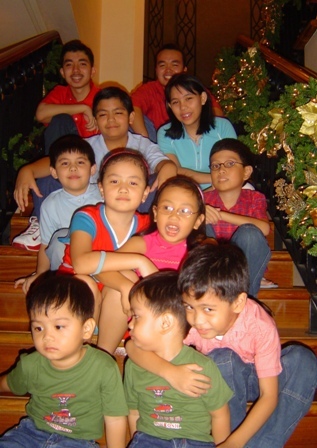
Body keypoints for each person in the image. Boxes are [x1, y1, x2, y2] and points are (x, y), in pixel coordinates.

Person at [127, 243, 317, 448]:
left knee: (303, 359)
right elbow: (133, 347)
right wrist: (170, 372)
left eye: (208, 309)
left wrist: (234, 443)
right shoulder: (189, 321)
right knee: (223, 358)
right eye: (189, 306)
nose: (197, 320)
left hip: (258, 378)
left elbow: (268, 396)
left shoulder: (259, 326)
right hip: (221, 388)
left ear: (237, 303)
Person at [12, 87, 177, 250]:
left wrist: (168, 166)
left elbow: (160, 162)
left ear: (131, 117)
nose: (111, 120)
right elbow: (56, 161)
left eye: (118, 113)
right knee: (49, 179)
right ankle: (41, 227)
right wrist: (28, 170)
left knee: (157, 182)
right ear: (96, 120)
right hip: (94, 206)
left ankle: (141, 233)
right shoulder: (88, 145)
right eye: (103, 114)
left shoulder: (142, 144)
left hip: (130, 208)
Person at [0, 273, 128, 448]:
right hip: (30, 433)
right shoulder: (31, 364)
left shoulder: (103, 367)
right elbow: (8, 384)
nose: (47, 336)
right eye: (38, 327)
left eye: (58, 326)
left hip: (78, 442)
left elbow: (115, 419)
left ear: (86, 329)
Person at [57, 149, 157, 349]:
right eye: (114, 181)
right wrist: (139, 262)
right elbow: (82, 263)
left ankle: (104, 355)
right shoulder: (86, 217)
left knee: (128, 278)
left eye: (133, 183)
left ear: (146, 193)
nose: (123, 189)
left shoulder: (148, 224)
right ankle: (76, 353)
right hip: (76, 299)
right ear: (101, 188)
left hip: (116, 309)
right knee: (88, 282)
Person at [97, 175, 206, 354]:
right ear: (155, 213)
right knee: (123, 278)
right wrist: (125, 287)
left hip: (172, 326)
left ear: (198, 221)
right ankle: (103, 356)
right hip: (134, 320)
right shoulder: (142, 244)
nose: (174, 216)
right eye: (167, 208)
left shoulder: (197, 253)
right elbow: (100, 268)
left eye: (184, 211)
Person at [124, 270, 233, 447]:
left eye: (136, 316)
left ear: (166, 323)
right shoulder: (134, 365)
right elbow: (134, 411)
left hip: (195, 443)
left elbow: (219, 414)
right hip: (150, 440)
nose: (130, 323)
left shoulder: (202, 366)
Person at [12, 39, 100, 251]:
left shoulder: (102, 98)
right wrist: (82, 108)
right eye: (69, 64)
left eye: (82, 63)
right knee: (59, 122)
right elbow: (41, 113)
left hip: (94, 164)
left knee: (60, 124)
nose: (76, 70)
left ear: (93, 70)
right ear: (62, 71)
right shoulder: (61, 94)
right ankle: (42, 224)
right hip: (63, 165)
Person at [14, 135, 102, 290]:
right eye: (65, 163)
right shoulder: (50, 204)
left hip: (100, 259)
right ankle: (59, 285)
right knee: (59, 237)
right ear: (54, 172)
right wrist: (40, 274)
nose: (73, 168)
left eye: (80, 162)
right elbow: (46, 245)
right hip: (67, 267)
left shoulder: (104, 194)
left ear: (93, 169)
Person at [204, 137, 272, 297]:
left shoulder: (255, 198)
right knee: (201, 226)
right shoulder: (203, 200)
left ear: (246, 172)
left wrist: (221, 215)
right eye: (215, 166)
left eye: (229, 164)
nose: (221, 170)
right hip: (211, 271)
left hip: (244, 268)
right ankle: (211, 293)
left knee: (250, 234)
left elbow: (264, 228)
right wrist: (200, 214)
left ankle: (241, 300)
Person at [157, 73, 237, 190]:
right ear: (169, 106)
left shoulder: (222, 127)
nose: (183, 107)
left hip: (223, 188)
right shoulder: (165, 133)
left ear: (203, 98)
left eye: (188, 99)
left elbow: (232, 166)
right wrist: (213, 180)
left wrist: (215, 187)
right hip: (185, 191)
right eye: (175, 102)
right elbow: (175, 170)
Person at [131, 43, 223, 141]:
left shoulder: (195, 89)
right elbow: (132, 106)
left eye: (174, 65)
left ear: (184, 70)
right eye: (162, 65)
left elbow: (217, 113)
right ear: (156, 70)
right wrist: (145, 142)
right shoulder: (149, 89)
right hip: (157, 146)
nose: (168, 70)